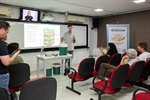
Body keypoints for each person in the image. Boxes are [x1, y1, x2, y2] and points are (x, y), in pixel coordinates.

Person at [0, 21, 20, 93]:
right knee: (3, 94)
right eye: (7, 32)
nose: (6, 35)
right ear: (2, 30)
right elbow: (6, 62)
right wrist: (16, 54)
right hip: (1, 75)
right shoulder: (1, 44)